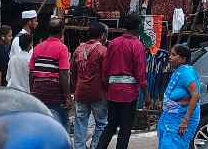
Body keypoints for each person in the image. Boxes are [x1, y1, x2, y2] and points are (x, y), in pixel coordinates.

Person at [96, 12, 148, 149]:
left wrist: (106, 88)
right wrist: (147, 95)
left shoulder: (114, 43)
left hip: (113, 92)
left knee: (111, 126)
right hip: (129, 94)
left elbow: (105, 69)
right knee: (125, 129)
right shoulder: (137, 46)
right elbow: (140, 74)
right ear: (137, 27)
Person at [29, 17, 72, 126]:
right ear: (62, 30)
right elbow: (63, 74)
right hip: (54, 93)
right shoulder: (62, 48)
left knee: (39, 124)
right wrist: (67, 97)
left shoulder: (37, 47)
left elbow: (31, 73)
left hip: (37, 92)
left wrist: (32, 91)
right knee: (61, 125)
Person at [73, 22, 108, 149]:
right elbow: (105, 75)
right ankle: (95, 146)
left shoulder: (78, 49)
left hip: (80, 91)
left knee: (80, 123)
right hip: (97, 93)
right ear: (102, 35)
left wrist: (75, 87)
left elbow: (73, 72)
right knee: (102, 123)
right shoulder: (103, 51)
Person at [157, 44, 200, 149]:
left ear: (183, 59)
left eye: (173, 55)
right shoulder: (178, 71)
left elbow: (196, 94)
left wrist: (185, 120)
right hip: (171, 116)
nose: (170, 57)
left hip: (181, 118)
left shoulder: (186, 73)